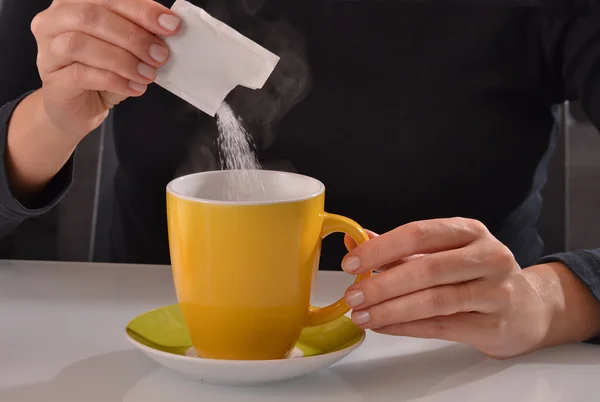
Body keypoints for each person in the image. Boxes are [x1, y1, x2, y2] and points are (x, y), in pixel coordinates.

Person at [1, 0, 600, 358]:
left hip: (458, 367)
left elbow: (552, 302)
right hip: (148, 365)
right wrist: (51, 119)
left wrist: (552, 302)